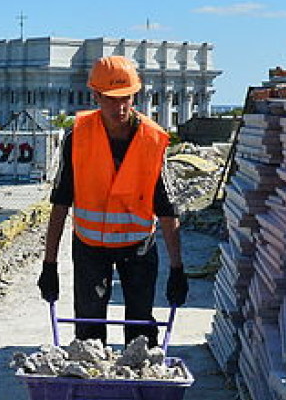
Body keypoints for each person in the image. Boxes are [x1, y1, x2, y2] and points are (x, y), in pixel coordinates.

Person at [38, 55, 187, 345]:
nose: (119, 107)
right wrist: (49, 265)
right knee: (89, 325)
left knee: (140, 326)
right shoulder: (77, 136)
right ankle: (91, 384)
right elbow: (60, 203)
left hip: (139, 247)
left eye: (126, 98)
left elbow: (167, 209)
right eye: (110, 99)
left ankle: (140, 383)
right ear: (95, 96)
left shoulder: (153, 140)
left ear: (135, 95)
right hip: (90, 247)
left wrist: (178, 269)